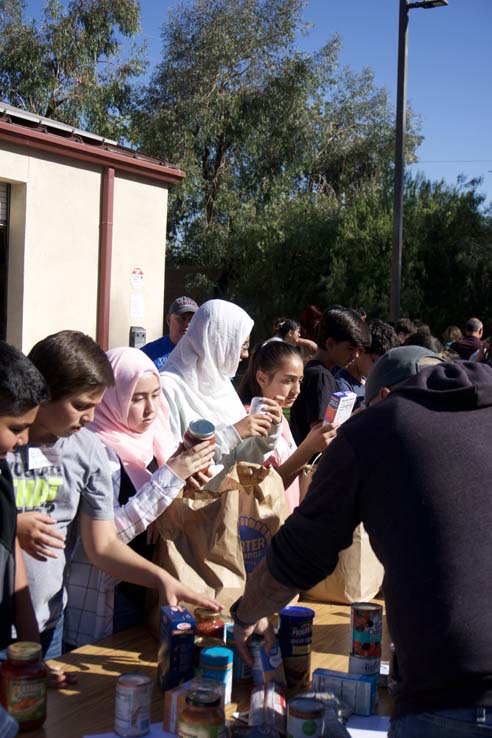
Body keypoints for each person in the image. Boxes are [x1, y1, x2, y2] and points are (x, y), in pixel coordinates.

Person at [230, 350, 492, 738]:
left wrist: (246, 615)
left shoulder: (377, 427)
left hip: (452, 696)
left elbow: (300, 552)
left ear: (382, 395)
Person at [12, 330, 219, 659]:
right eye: (80, 405)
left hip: (47, 623)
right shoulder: (6, 442)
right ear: (43, 392)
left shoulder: (90, 449)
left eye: (96, 406)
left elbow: (103, 544)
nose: (90, 418)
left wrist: (160, 578)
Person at [64, 347, 216, 647]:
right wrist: (169, 477)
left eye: (156, 395)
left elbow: (155, 501)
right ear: (110, 396)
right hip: (107, 599)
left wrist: (180, 481)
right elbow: (104, 536)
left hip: (149, 590)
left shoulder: (156, 438)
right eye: (136, 398)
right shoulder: (95, 450)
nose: (151, 409)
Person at [160, 299, 283, 487]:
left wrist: (267, 431)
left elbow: (242, 458)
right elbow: (171, 464)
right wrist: (234, 433)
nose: (245, 355)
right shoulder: (169, 388)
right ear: (218, 341)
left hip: (225, 506)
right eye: (242, 346)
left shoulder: (222, 384)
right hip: (188, 509)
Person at [238, 342, 336, 511]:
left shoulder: (280, 417)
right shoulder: (252, 421)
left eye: (300, 380)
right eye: (288, 380)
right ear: (261, 378)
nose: (297, 389)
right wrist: (309, 448)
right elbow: (263, 489)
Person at [0, 342, 49, 653]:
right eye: (16, 428)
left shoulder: (3, 472)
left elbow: (11, 552)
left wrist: (32, 655)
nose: (25, 440)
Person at [289, 307, 370, 445]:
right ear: (331, 344)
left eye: (359, 350)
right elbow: (322, 434)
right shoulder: (321, 377)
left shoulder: (317, 372)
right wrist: (357, 416)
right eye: (350, 349)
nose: (355, 356)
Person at [334, 319, 399, 407]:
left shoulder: (368, 381)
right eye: (374, 361)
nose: (378, 369)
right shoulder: (341, 385)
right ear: (360, 351)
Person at [141, 296, 198, 371]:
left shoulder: (202, 354)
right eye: (182, 318)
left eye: (192, 320)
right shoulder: (147, 354)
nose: (187, 324)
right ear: (169, 319)